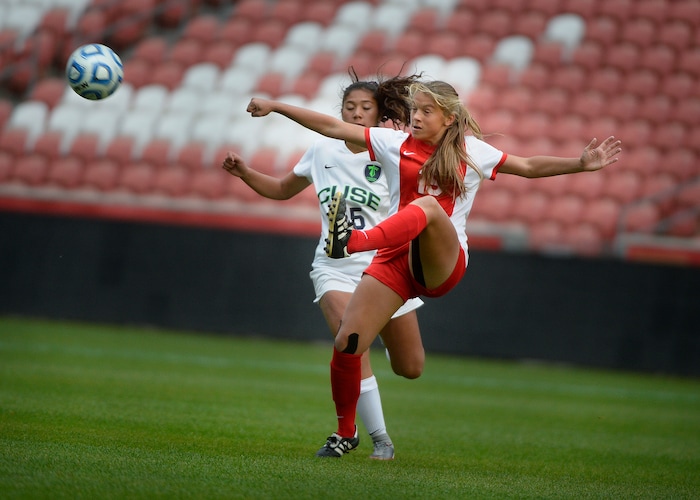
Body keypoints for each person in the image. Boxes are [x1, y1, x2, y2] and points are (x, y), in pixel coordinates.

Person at [245, 78, 623, 455]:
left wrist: (580, 164)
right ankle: (347, 432)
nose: (417, 117)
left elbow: (526, 165)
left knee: (426, 206)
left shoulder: (471, 151)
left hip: (443, 262)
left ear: (448, 118)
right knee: (349, 344)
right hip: (394, 260)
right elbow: (332, 127)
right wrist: (277, 106)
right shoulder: (394, 144)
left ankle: (354, 242)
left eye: (427, 111)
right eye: (415, 110)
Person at [222, 70, 427, 460]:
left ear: (381, 114)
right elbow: (283, 190)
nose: (356, 113)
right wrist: (246, 172)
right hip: (335, 267)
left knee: (410, 366)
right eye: (349, 107)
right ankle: (371, 438)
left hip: (388, 269)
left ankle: (361, 418)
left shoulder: (395, 151)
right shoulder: (321, 151)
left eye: (366, 107)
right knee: (351, 346)